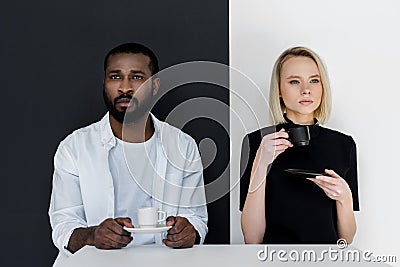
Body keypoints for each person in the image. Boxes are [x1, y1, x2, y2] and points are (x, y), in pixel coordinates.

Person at [49, 43, 208, 265]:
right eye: (115, 77)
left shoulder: (183, 145)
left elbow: (197, 219)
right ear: (104, 83)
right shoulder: (75, 147)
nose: (125, 88)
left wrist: (190, 232)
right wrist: (92, 236)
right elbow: (63, 226)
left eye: (136, 77)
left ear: (154, 86)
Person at [240, 46, 359, 244]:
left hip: (326, 260)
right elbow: (252, 238)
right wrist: (261, 164)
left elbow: (346, 239)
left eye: (314, 80)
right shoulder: (256, 142)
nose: (306, 90)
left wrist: (345, 197)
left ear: (323, 87)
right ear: (278, 90)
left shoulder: (343, 144)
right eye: (295, 81)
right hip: (272, 260)